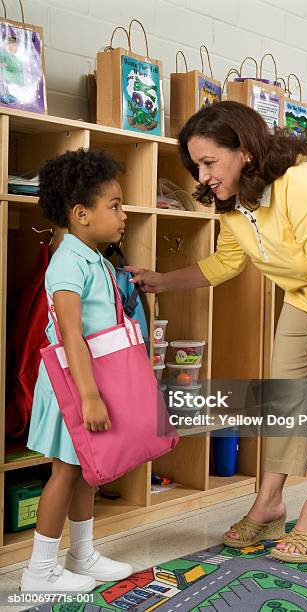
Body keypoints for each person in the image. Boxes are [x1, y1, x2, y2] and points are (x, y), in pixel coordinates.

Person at [126, 100, 307, 563]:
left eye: (209, 162)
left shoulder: (301, 184)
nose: (201, 176)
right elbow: (225, 263)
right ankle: (270, 503)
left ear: (246, 152)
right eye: (196, 165)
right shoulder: (235, 204)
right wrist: (161, 280)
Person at [22, 149, 132, 591]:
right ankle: (39, 571)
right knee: (65, 471)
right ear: (81, 214)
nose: (123, 215)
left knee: (88, 469)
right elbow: (71, 336)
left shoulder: (95, 259)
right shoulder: (68, 262)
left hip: (89, 380)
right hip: (72, 385)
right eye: (115, 206)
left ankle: (81, 554)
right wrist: (87, 396)